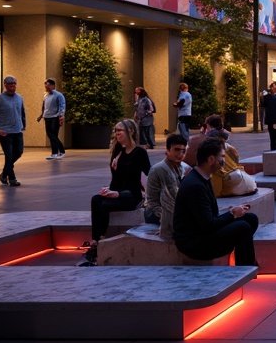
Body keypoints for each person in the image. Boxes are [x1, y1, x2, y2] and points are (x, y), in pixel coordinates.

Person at [173, 136, 259, 267]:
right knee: (243, 228)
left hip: (202, 232)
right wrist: (232, 214)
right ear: (211, 159)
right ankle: (245, 270)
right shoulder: (195, 185)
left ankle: (245, 263)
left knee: (251, 219)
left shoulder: (202, 177)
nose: (224, 161)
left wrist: (233, 213)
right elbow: (208, 225)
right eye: (222, 157)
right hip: (193, 243)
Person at [80, 119, 151, 266]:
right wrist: (109, 190)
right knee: (96, 199)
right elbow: (116, 181)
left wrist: (119, 194)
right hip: (118, 192)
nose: (117, 133)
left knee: (105, 205)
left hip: (132, 195)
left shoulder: (140, 152)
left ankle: (101, 240)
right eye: (116, 130)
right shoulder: (118, 152)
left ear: (130, 131)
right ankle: (96, 240)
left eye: (120, 130)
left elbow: (149, 174)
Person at [144, 133, 186, 238]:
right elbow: (152, 202)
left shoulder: (183, 168)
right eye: (177, 150)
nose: (180, 154)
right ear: (167, 150)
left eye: (183, 151)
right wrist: (166, 220)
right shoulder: (157, 170)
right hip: (155, 213)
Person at [0, 76, 27, 187]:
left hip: (17, 130)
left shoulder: (19, 98)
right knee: (9, 155)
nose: (12, 86)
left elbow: (22, 112)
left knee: (18, 152)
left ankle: (4, 174)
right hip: (4, 132)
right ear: (5, 85)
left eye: (14, 84)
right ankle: (12, 178)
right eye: (10, 84)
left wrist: (23, 125)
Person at [37, 78, 66, 160]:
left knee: (53, 135)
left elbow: (62, 106)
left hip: (55, 117)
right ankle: (61, 151)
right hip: (47, 117)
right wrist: (41, 115)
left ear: (52, 85)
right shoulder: (45, 96)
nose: (46, 87)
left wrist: (61, 116)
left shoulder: (58, 95)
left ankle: (55, 153)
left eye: (48, 85)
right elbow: (44, 107)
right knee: (51, 135)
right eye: (45, 85)